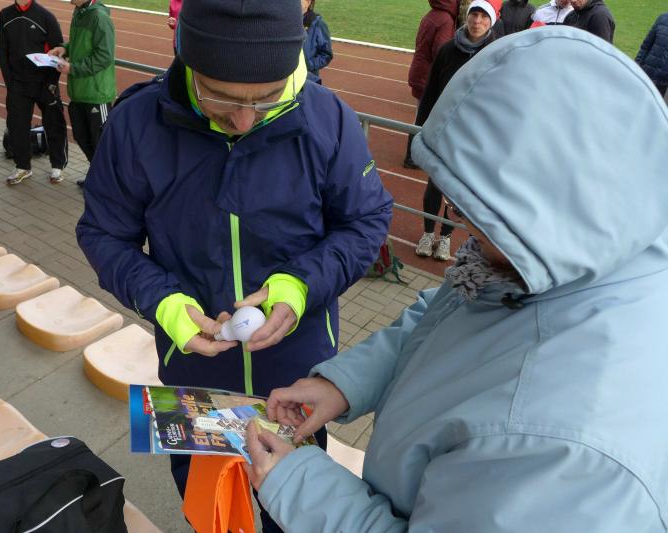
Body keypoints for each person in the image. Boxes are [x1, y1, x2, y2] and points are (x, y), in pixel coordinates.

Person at [242, 25, 668, 533]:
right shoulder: (572, 252)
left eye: (475, 209)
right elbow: (447, 317)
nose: (457, 219)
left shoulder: (569, 450)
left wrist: (297, 482)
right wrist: (342, 384)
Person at [76, 0, 392, 530]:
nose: (244, 120)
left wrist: (300, 286)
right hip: (193, 381)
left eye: (268, 97)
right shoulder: (136, 123)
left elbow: (366, 220)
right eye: (220, 95)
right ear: (188, 59)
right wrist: (163, 301)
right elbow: (103, 233)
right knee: (211, 515)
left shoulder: (328, 118)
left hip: (295, 382)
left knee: (291, 514)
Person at [414, 0, 499, 261]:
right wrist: (421, 123)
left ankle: (446, 237)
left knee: (456, 190)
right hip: (443, 129)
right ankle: (428, 233)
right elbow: (431, 89)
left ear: (491, 22)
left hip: (472, 134)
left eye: (483, 17)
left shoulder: (496, 53)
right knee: (435, 183)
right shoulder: (448, 49)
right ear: (466, 17)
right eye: (474, 15)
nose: (477, 22)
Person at [0, 0, 68, 185]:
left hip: (45, 83)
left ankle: (57, 166)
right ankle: (22, 167)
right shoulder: (4, 15)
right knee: (17, 126)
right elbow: (2, 51)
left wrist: (52, 83)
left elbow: (59, 53)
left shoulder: (46, 17)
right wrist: (10, 82)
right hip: (18, 84)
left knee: (54, 124)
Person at [48, 0, 116, 188]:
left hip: (97, 93)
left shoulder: (99, 17)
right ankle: (97, 175)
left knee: (101, 143)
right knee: (81, 135)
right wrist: (65, 48)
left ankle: (108, 185)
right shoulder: (79, 12)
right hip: (78, 91)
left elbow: (104, 56)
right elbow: (81, 45)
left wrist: (73, 68)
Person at [404, 0, 458, 169]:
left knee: (421, 116)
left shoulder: (432, 15)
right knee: (424, 119)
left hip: (420, 71)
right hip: (427, 76)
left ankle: (413, 156)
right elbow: (440, 52)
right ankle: (412, 157)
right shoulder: (446, 20)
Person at [635, 12, 668, 97]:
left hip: (663, 82)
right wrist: (637, 64)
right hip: (646, 74)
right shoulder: (662, 18)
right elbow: (646, 45)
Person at [301, 0, 333, 83]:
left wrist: (308, 65)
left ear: (308, 2)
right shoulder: (286, 22)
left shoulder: (318, 24)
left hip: (308, 79)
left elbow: (326, 55)